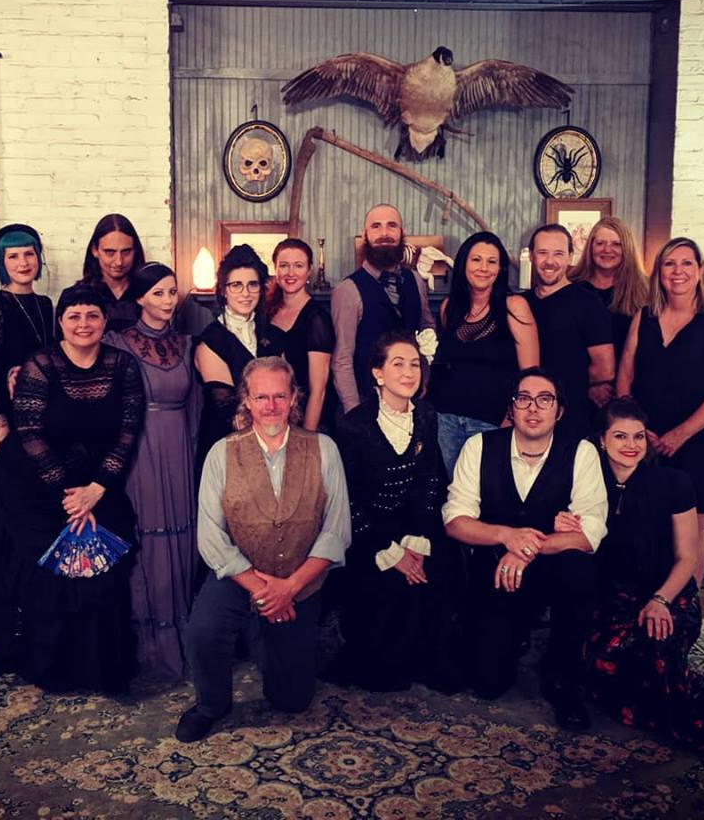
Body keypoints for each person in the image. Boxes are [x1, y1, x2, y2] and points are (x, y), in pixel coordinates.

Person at [176, 357, 351, 742]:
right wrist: (263, 589)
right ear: (247, 401)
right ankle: (211, 705)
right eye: (261, 397)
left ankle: (263, 634)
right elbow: (210, 537)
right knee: (203, 631)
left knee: (292, 701)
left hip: (299, 581)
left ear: (293, 399)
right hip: (239, 576)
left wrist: (289, 588)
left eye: (279, 396)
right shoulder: (221, 453)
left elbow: (336, 532)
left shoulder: (324, 449)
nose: (271, 405)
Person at [0, 284, 145, 692]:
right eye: (74, 316)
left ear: (105, 321)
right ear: (60, 322)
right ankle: (53, 667)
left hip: (97, 479)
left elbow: (127, 433)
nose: (83, 324)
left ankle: (102, 669)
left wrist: (95, 491)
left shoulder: (124, 365)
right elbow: (30, 433)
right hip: (35, 480)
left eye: (92, 315)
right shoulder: (40, 363)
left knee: (107, 555)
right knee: (54, 565)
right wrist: (72, 498)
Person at [443, 367, 607, 730]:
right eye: (523, 399)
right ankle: (507, 633)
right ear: (511, 408)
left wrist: (526, 547)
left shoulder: (581, 452)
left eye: (545, 399)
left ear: (559, 411)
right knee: (487, 683)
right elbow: (455, 520)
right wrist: (507, 536)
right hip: (496, 571)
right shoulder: (479, 447)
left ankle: (563, 675)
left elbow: (590, 533)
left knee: (579, 568)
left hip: (554, 570)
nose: (533, 408)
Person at [581, 398, 704, 748]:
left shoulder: (674, 482)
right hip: (615, 597)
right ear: (601, 440)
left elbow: (686, 557)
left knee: (658, 645)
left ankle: (678, 715)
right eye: (620, 436)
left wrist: (661, 600)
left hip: (670, 592)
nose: (631, 445)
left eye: (638, 436)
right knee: (608, 659)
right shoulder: (587, 484)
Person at [330, 332, 465, 693]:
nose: (409, 373)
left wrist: (416, 542)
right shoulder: (353, 424)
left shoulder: (426, 415)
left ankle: (428, 660)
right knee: (390, 586)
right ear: (378, 373)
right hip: (367, 533)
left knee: (440, 571)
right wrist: (391, 552)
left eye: (415, 365)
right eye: (398, 364)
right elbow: (349, 501)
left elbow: (429, 483)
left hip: (414, 525)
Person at [618, 236, 704, 586]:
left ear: (700, 270)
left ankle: (686, 606)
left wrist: (681, 433)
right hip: (647, 439)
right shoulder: (644, 316)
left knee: (690, 527)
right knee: (645, 520)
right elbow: (624, 377)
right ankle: (647, 599)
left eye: (687, 263)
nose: (678, 271)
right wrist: (636, 431)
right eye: (669, 264)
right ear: (658, 272)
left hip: (698, 438)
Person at [106, 263, 199, 680]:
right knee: (146, 539)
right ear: (140, 298)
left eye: (172, 292)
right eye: (158, 293)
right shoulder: (117, 343)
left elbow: (196, 405)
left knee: (182, 536)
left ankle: (182, 640)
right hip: (138, 449)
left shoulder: (187, 343)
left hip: (179, 448)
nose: (168, 300)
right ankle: (146, 647)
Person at [429, 231, 539, 476]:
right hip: (446, 420)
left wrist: (511, 419)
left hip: (492, 421)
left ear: (500, 269)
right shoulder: (449, 308)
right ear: (463, 264)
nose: (483, 268)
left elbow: (530, 376)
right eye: (476, 259)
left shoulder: (514, 307)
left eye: (492, 261)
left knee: (489, 489)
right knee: (454, 489)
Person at [331, 203, 436, 415]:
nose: (384, 233)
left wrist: (424, 375)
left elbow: (427, 328)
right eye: (376, 226)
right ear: (365, 235)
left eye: (392, 226)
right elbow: (342, 359)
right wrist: (354, 413)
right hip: (366, 402)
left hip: (410, 402)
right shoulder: (348, 289)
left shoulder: (416, 280)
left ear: (402, 233)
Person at [193, 244, 281, 461]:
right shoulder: (210, 340)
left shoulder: (273, 334)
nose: (245, 293)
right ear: (223, 290)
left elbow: (284, 392)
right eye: (236, 285)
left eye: (253, 285)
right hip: (227, 446)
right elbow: (230, 411)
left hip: (274, 441)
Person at [526, 224, 614, 438]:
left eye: (558, 254)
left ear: (570, 257)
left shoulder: (588, 303)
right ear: (531, 256)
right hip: (527, 416)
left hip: (571, 416)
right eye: (542, 253)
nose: (549, 261)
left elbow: (605, 368)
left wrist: (562, 382)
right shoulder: (521, 302)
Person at [0, 223, 54, 458]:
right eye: (13, 256)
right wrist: (0, 427)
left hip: (42, 407)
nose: (23, 263)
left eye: (29, 254)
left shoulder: (45, 304)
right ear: (2, 262)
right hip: (8, 412)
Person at [267, 237, 336, 432]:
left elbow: (318, 391)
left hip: (307, 420)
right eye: (284, 265)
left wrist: (306, 438)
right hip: (273, 416)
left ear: (309, 271)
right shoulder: (268, 311)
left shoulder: (317, 320)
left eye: (298, 265)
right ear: (275, 269)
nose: (290, 273)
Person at [569, 217, 648, 363]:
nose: (607, 249)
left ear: (627, 248)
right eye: (600, 243)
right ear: (590, 247)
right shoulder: (571, 286)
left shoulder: (646, 290)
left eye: (616, 244)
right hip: (579, 374)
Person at [79, 213, 145, 332]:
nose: (119, 261)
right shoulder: (77, 295)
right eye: (110, 252)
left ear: (135, 250)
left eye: (126, 252)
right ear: (95, 250)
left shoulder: (150, 294)